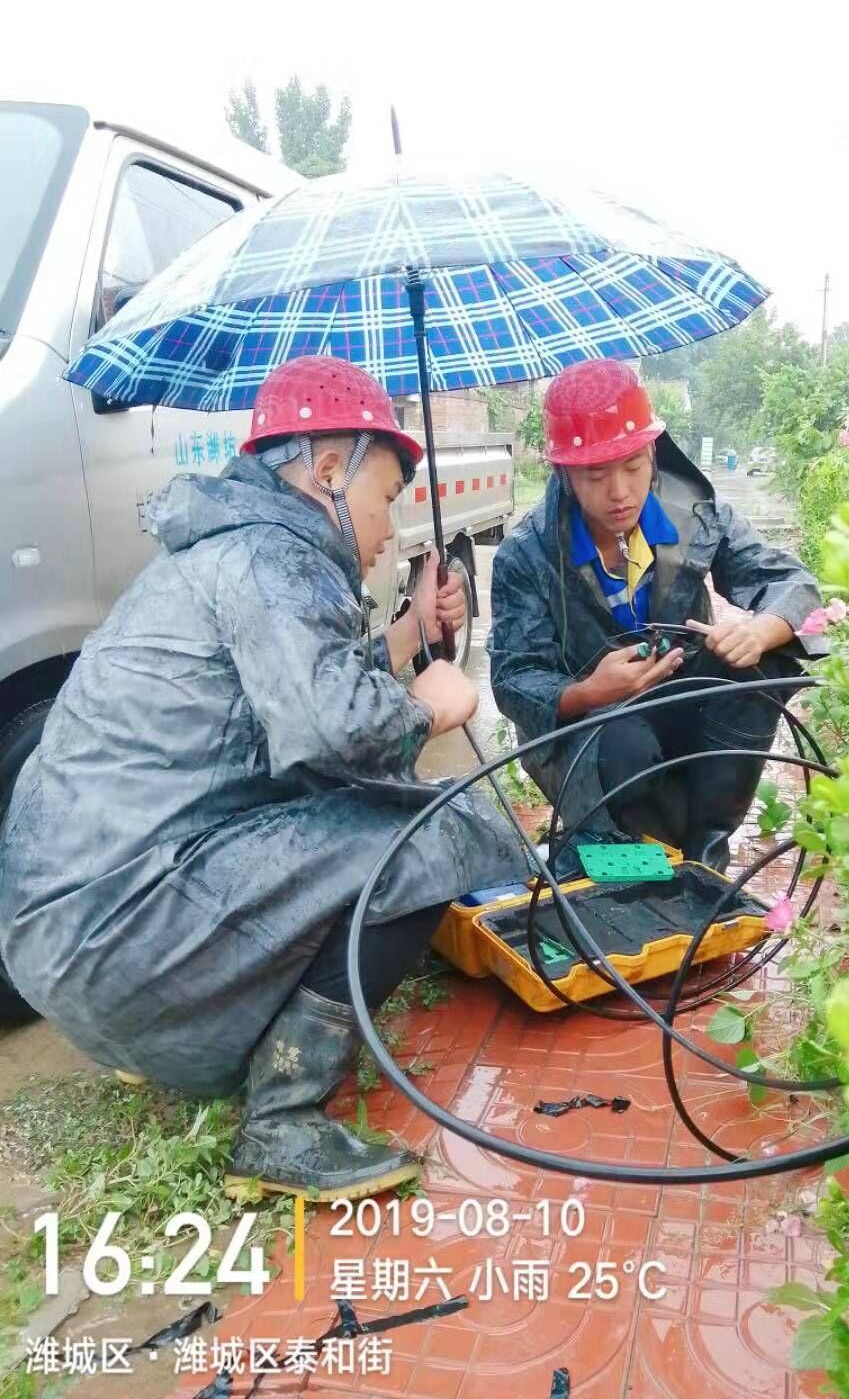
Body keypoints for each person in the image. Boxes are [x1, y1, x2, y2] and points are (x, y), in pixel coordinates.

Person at [0, 355, 526, 1202]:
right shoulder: (274, 558)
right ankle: (281, 1119)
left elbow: (299, 693)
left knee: (353, 813)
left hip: (63, 949)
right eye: (384, 499)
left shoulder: (223, 548)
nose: (389, 529)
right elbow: (335, 733)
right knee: (432, 832)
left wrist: (413, 633)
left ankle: (180, 1024)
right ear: (327, 470)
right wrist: (429, 708)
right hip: (122, 944)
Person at [487, 357, 827, 876]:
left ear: (652, 453)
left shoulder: (696, 516)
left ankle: (706, 844)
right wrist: (588, 691)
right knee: (626, 748)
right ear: (565, 474)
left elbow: (795, 586)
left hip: (682, 706)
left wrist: (758, 631)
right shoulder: (527, 553)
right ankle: (616, 846)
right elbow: (512, 679)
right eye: (596, 475)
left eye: (632, 466)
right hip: (588, 732)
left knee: (759, 668)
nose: (620, 491)